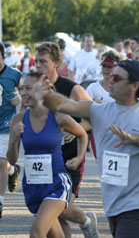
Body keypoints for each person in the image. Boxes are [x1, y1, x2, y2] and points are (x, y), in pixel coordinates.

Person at [35, 59, 139, 237]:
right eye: (111, 77)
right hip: (112, 201)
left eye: (117, 78)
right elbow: (64, 105)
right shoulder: (99, 111)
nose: (110, 81)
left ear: (134, 85)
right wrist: (45, 95)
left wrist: (136, 139)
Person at [7, 72, 88, 237]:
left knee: (36, 233)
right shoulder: (18, 119)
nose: (23, 93)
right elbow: (12, 159)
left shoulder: (58, 116)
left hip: (57, 183)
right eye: (22, 89)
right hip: (33, 185)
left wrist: (79, 158)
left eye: (28, 88)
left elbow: (82, 134)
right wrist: (15, 139)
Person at [34, 42, 99, 237]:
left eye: (43, 61)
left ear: (56, 62)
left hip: (69, 157)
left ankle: (86, 221)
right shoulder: (34, 88)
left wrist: (79, 129)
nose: (38, 65)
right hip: (45, 159)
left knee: (62, 206)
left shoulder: (72, 88)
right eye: (36, 61)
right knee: (55, 214)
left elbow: (95, 117)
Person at [0, 42, 23, 218]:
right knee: (3, 165)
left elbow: (27, 91)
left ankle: (0, 201)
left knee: (0, 162)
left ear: (2, 57)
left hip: (7, 123)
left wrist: (19, 97)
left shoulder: (14, 74)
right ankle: (12, 170)